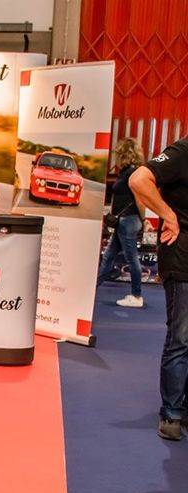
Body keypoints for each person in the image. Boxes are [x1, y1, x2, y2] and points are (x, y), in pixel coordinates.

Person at [130, 135, 188, 440]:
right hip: (182, 258)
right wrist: (168, 216)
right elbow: (139, 179)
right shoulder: (183, 150)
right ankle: (172, 412)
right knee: (181, 337)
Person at [97, 138, 146, 307]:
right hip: (124, 221)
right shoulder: (126, 172)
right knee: (108, 256)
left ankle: (137, 296)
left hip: (128, 220)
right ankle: (92, 289)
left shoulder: (132, 173)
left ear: (124, 154)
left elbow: (140, 200)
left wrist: (144, 220)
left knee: (131, 258)